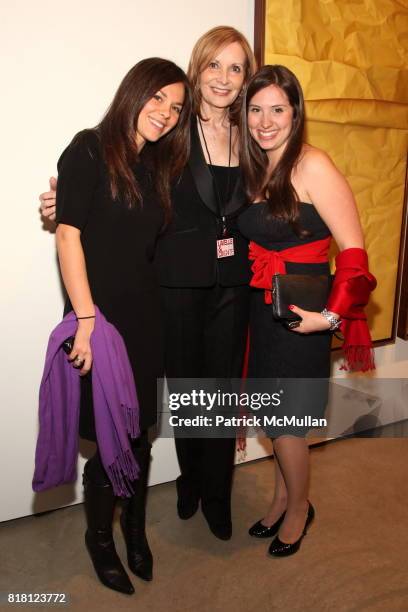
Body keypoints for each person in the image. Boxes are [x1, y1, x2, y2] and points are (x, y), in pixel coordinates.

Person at [40, 26, 257, 542]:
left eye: (236, 68)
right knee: (181, 394)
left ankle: (217, 494)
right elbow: (120, 181)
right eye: (214, 66)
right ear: (197, 69)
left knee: (218, 395)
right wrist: (63, 203)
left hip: (231, 283)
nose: (224, 78)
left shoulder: (253, 133)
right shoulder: (174, 135)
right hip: (173, 283)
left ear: (246, 78)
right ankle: (188, 483)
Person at [50, 57, 191, 594]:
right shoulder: (88, 147)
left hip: (144, 319)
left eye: (176, 107)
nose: (165, 113)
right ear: (134, 92)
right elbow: (69, 237)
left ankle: (134, 529)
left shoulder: (158, 167)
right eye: (158, 98)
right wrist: (85, 320)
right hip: (98, 320)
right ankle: (100, 540)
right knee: (109, 437)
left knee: (139, 434)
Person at [238, 65, 375, 557]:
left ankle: (300, 509)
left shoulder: (312, 164)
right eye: (256, 110)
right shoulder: (256, 167)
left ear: (296, 112)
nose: (265, 120)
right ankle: (281, 499)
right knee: (273, 420)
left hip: (304, 317)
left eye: (277, 108)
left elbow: (355, 256)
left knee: (290, 423)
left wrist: (331, 319)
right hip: (263, 308)